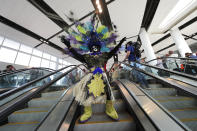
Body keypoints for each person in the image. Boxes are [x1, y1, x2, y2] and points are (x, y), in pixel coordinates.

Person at [60, 14, 126, 123]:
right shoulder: (86, 56)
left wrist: (120, 43)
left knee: (108, 91)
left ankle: (110, 108)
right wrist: (68, 44)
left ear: (99, 46)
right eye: (93, 46)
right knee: (85, 91)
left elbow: (113, 52)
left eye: (97, 46)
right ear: (90, 47)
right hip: (90, 75)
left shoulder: (104, 55)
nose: (95, 48)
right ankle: (87, 111)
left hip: (102, 76)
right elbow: (75, 54)